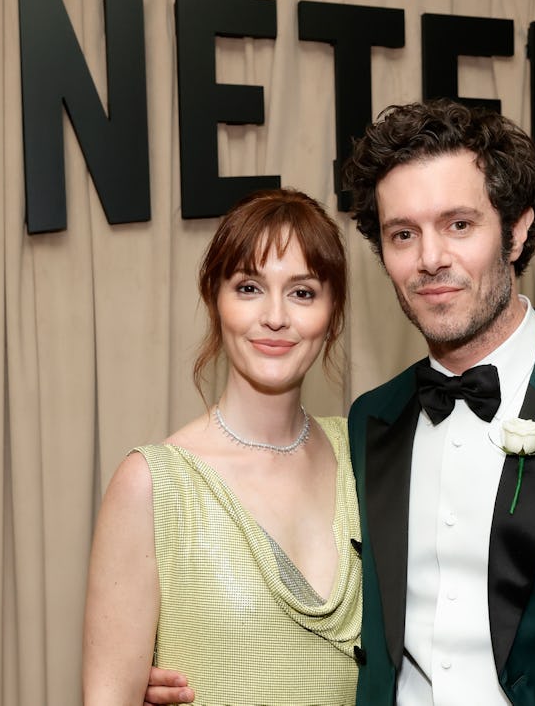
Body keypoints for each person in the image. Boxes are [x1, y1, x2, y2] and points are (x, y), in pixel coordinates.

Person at [143, 99, 535, 705]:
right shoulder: (369, 423)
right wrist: (191, 672)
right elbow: (320, 609)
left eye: (458, 225)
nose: (430, 258)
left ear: (516, 231)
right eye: (403, 234)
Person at [83, 188, 362, 705]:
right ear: (215, 298)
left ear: (333, 313)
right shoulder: (153, 485)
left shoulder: (363, 456)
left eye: (303, 292)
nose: (275, 316)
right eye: (250, 287)